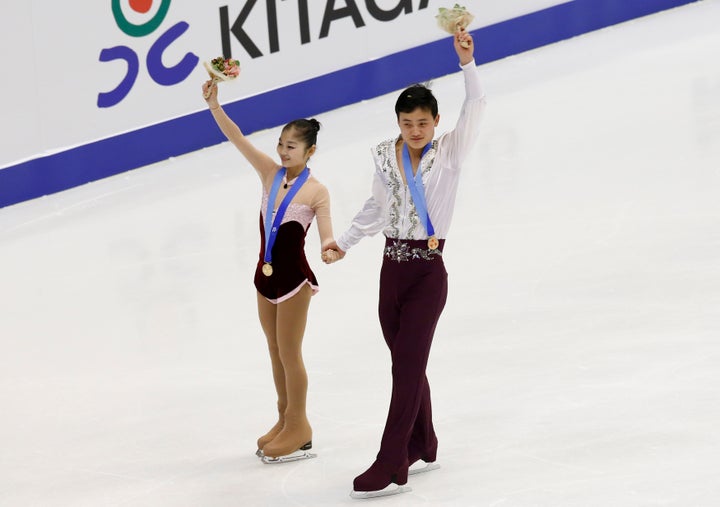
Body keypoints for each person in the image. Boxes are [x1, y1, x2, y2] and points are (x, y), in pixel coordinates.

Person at [322, 27, 486, 497]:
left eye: (423, 123)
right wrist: (345, 241)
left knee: (406, 368)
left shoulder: (450, 152)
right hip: (389, 271)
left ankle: (391, 461)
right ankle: (425, 441)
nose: (415, 131)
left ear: (436, 121)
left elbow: (475, 106)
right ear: (398, 122)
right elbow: (377, 207)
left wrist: (466, 64)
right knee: (406, 363)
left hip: (427, 274)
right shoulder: (384, 155)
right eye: (407, 123)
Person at [202, 77, 336, 463]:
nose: (282, 151)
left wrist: (329, 247)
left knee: (291, 354)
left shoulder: (316, 191)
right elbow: (237, 137)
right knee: (274, 351)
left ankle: (300, 426)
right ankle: (283, 419)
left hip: (294, 282)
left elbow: (325, 229)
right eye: (280, 144)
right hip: (265, 280)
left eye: (291, 147)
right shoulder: (269, 173)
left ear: (309, 151)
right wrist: (215, 105)